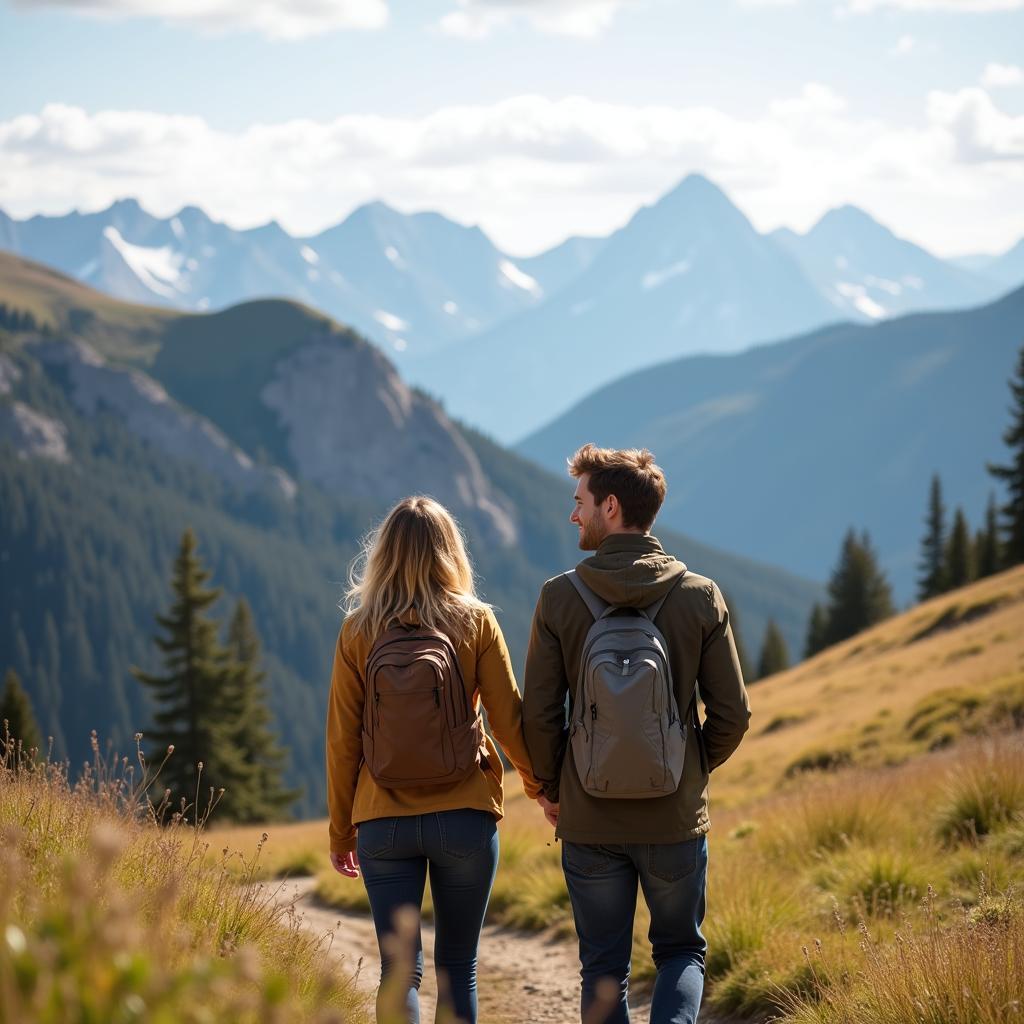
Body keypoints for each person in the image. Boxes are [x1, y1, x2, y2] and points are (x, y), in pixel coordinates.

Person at [523, 444, 751, 1024]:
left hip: (590, 817)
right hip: (672, 815)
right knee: (679, 951)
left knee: (602, 966)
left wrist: (552, 788)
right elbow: (732, 715)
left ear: (612, 507)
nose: (574, 515)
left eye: (580, 503)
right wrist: (687, 767)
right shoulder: (699, 595)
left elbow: (542, 716)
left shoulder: (558, 598)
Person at [325, 496, 548, 1024]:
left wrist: (341, 831)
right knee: (457, 968)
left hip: (383, 821)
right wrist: (542, 790)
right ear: (451, 553)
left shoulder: (358, 630)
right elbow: (507, 721)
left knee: (399, 971)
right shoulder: (474, 621)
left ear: (383, 555)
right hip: (465, 817)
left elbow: (342, 741)